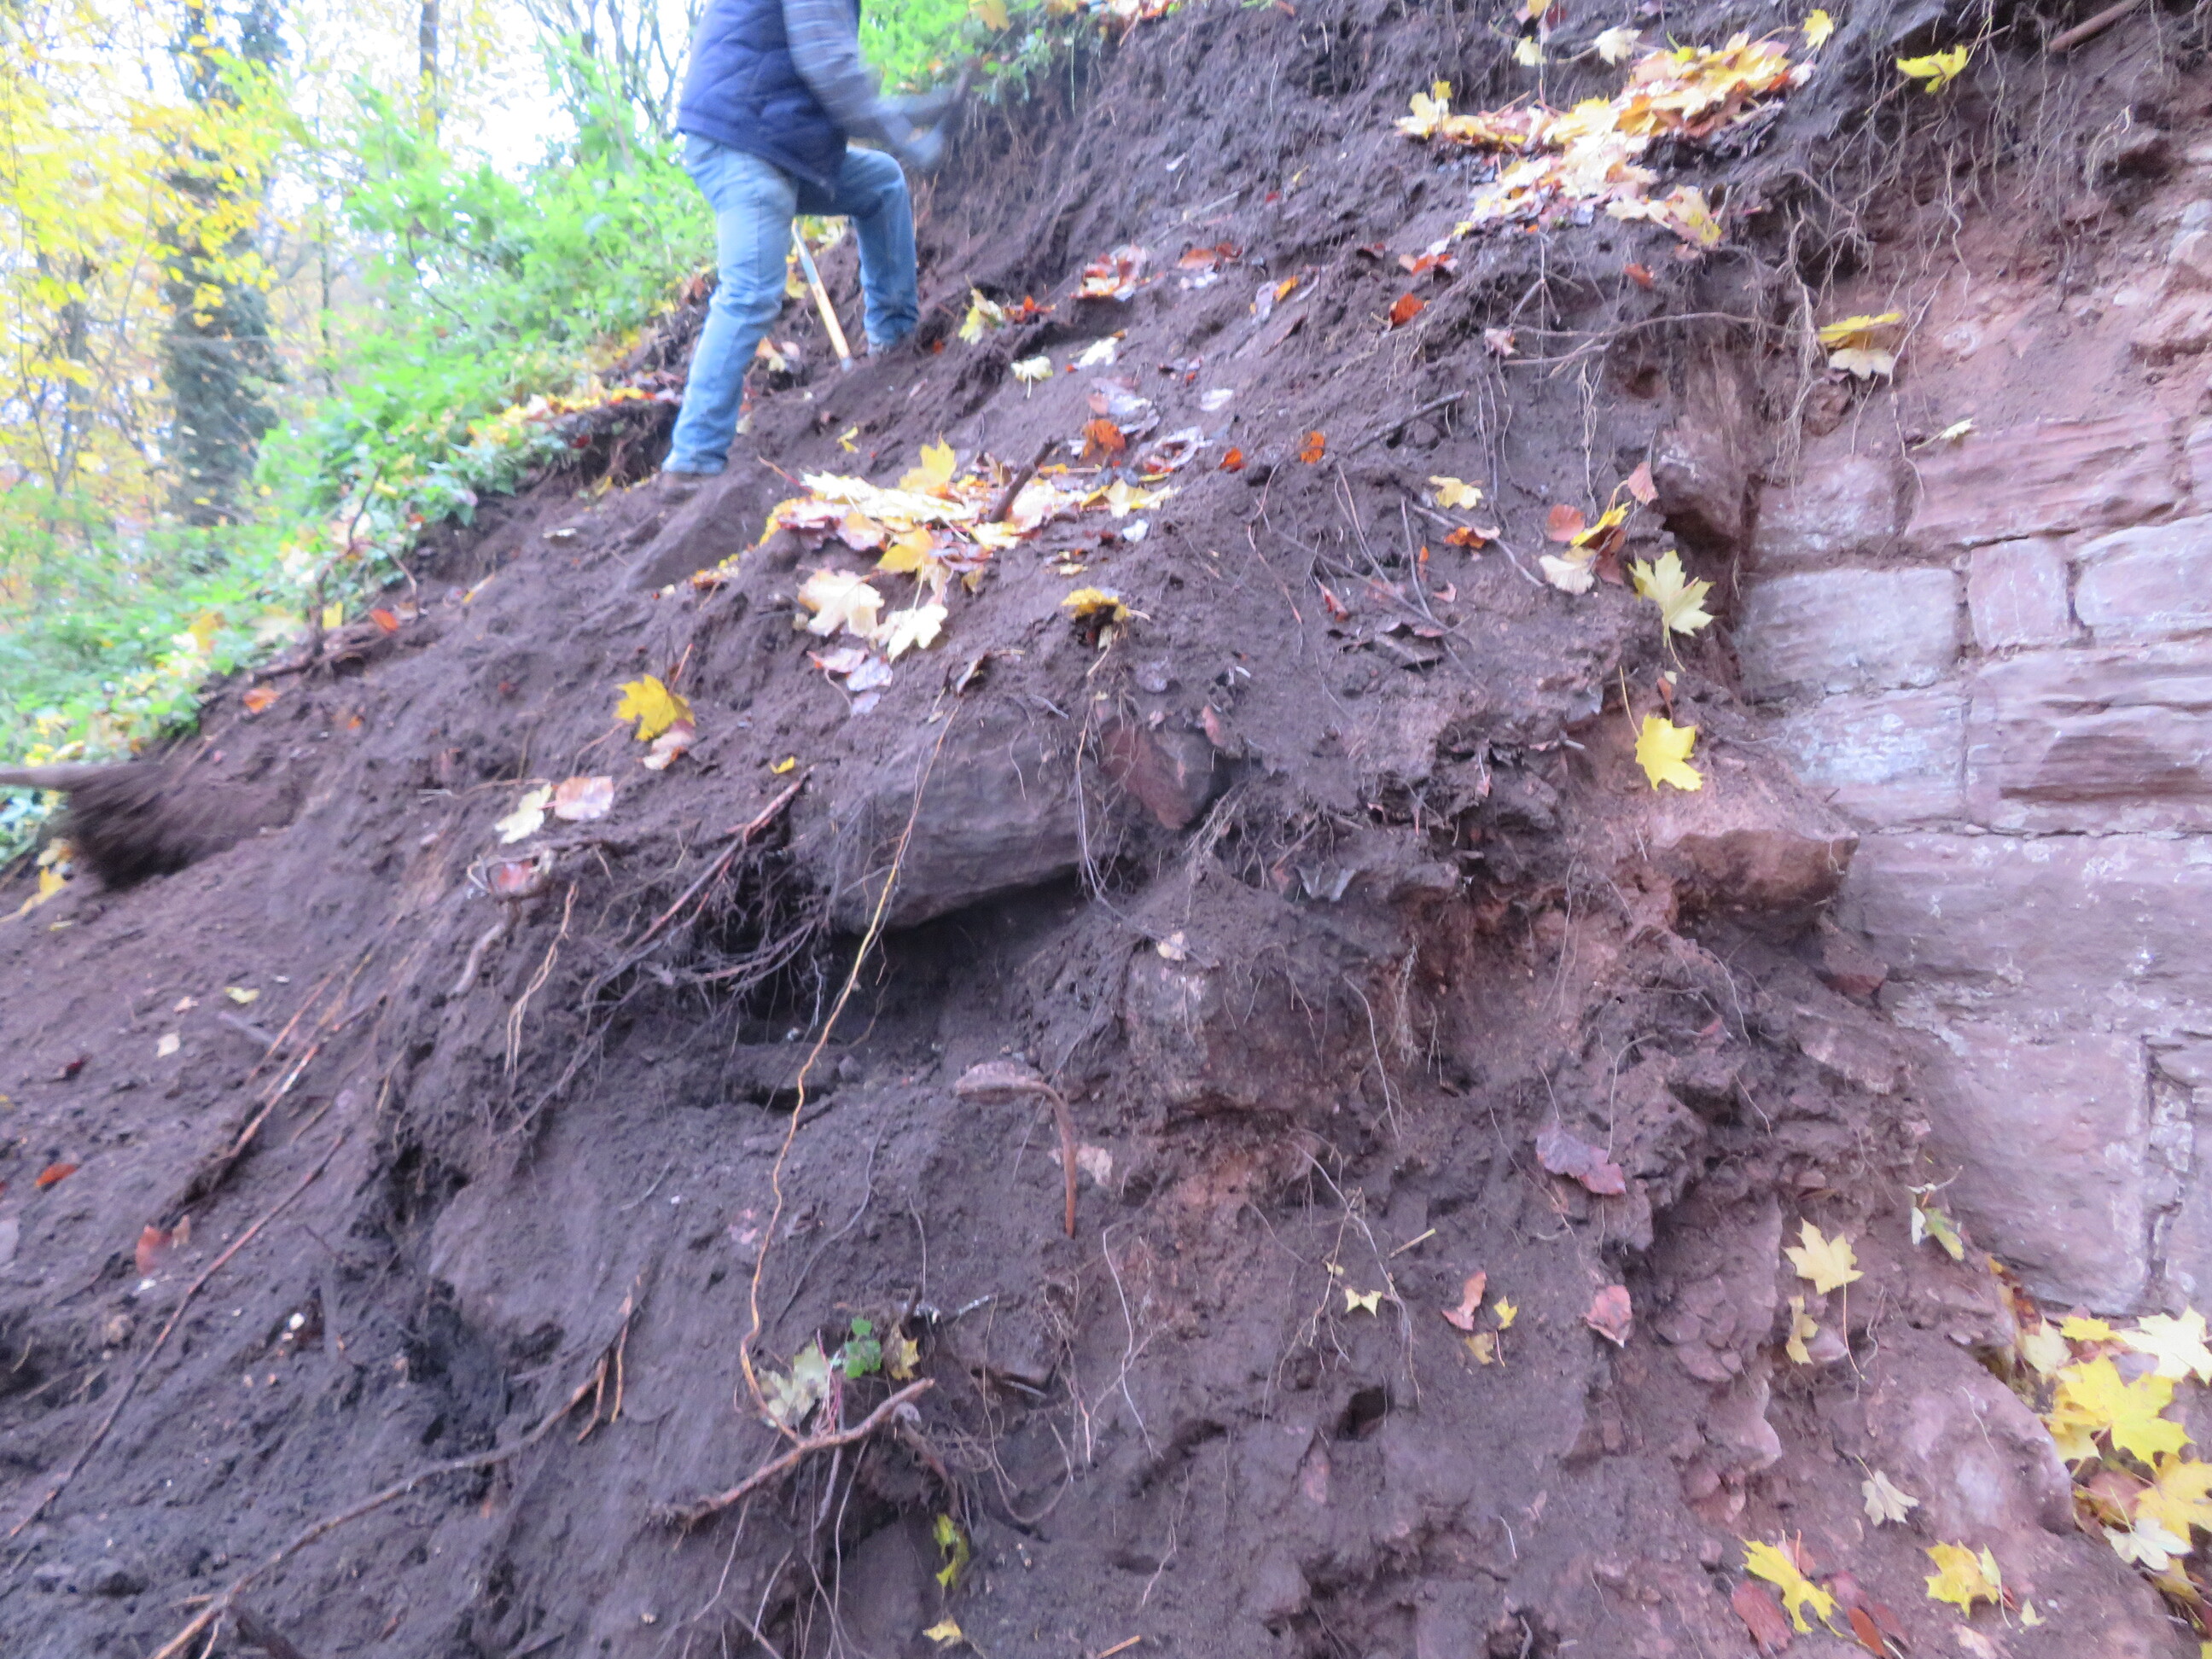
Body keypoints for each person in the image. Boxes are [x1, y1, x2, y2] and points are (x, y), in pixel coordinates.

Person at [662, 0, 951, 483]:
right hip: (747, 141)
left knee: (880, 184)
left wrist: (910, 112)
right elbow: (831, 71)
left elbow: (819, 64)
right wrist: (905, 132)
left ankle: (895, 338)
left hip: (770, 136)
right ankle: (694, 456)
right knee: (751, 291)